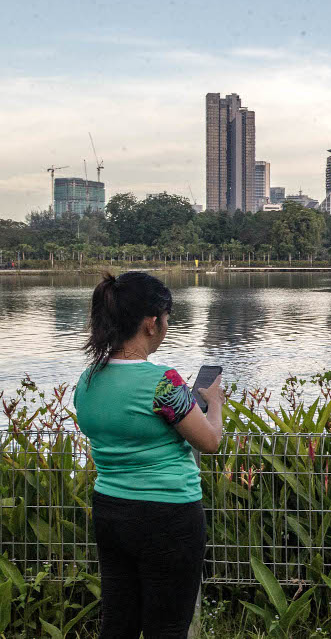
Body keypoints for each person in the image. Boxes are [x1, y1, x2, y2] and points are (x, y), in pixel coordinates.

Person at [73, 272, 225, 638]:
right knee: (168, 627)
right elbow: (209, 441)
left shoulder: (88, 379)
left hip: (111, 509)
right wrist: (214, 404)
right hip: (169, 515)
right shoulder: (164, 383)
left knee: (119, 623)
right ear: (151, 323)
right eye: (167, 318)